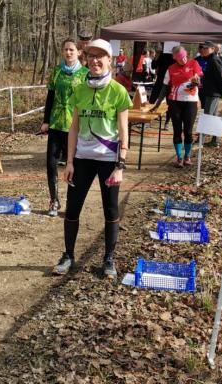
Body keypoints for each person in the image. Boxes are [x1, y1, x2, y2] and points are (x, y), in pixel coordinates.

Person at [54, 39, 132, 278]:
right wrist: (69, 162)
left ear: (110, 59)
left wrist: (120, 165)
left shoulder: (118, 91)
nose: (95, 60)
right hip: (82, 159)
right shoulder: (80, 89)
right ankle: (68, 255)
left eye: (100, 56)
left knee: (110, 209)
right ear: (86, 59)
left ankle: (109, 259)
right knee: (72, 209)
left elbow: (124, 131)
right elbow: (74, 128)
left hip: (108, 160)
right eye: (91, 56)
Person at [40, 38, 88, 216]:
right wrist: (46, 120)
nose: (68, 53)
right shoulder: (56, 71)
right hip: (56, 124)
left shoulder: (85, 74)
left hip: (75, 126)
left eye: (71, 50)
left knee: (74, 166)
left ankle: (71, 204)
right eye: (66, 49)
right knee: (51, 164)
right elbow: (50, 96)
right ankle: (54, 201)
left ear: (79, 52)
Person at [152, 46, 203, 167]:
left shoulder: (194, 63)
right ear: (175, 58)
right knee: (177, 130)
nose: (183, 59)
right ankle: (179, 158)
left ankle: (187, 156)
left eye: (184, 56)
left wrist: (195, 83)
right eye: (180, 58)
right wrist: (157, 104)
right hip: (175, 102)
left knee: (188, 131)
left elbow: (199, 81)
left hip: (190, 102)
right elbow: (165, 88)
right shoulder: (171, 69)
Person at [198, 41, 222, 147]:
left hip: (213, 93)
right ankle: (215, 140)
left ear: (212, 49)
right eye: (203, 48)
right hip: (209, 91)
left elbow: (220, 77)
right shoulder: (209, 59)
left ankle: (201, 139)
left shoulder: (214, 60)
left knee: (208, 116)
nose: (203, 50)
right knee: (213, 116)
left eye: (206, 48)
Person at [149, 49, 175, 130]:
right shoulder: (161, 54)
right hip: (160, 81)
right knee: (152, 100)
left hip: (171, 83)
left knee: (170, 103)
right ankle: (148, 119)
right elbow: (153, 66)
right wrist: (156, 56)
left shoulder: (174, 55)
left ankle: (167, 122)